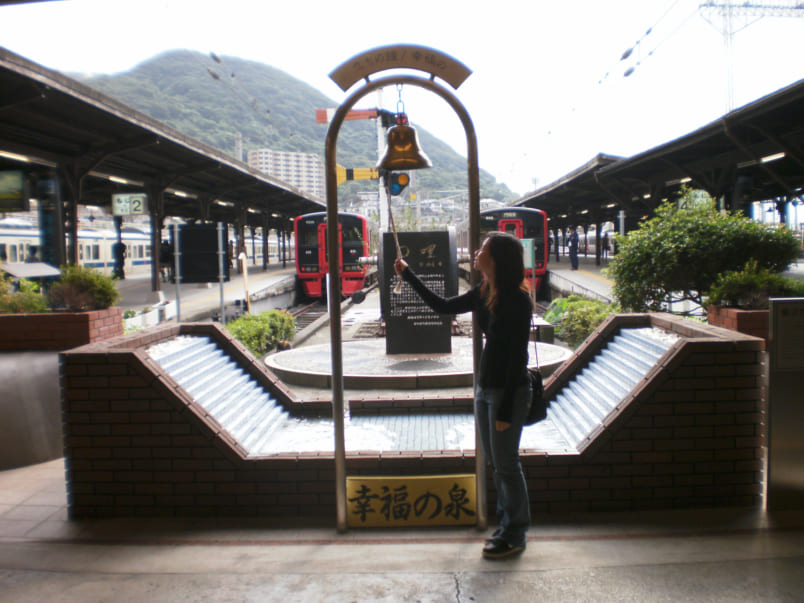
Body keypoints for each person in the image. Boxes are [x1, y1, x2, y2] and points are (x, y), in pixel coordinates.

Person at [394, 231, 532, 560]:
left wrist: (505, 411)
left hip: (508, 392)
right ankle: (506, 527)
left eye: (483, 248)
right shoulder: (484, 291)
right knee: (496, 464)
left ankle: (515, 532)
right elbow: (442, 306)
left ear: (496, 259)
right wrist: (408, 274)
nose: (476, 251)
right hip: (485, 388)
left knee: (507, 465)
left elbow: (517, 359)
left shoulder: (517, 300)